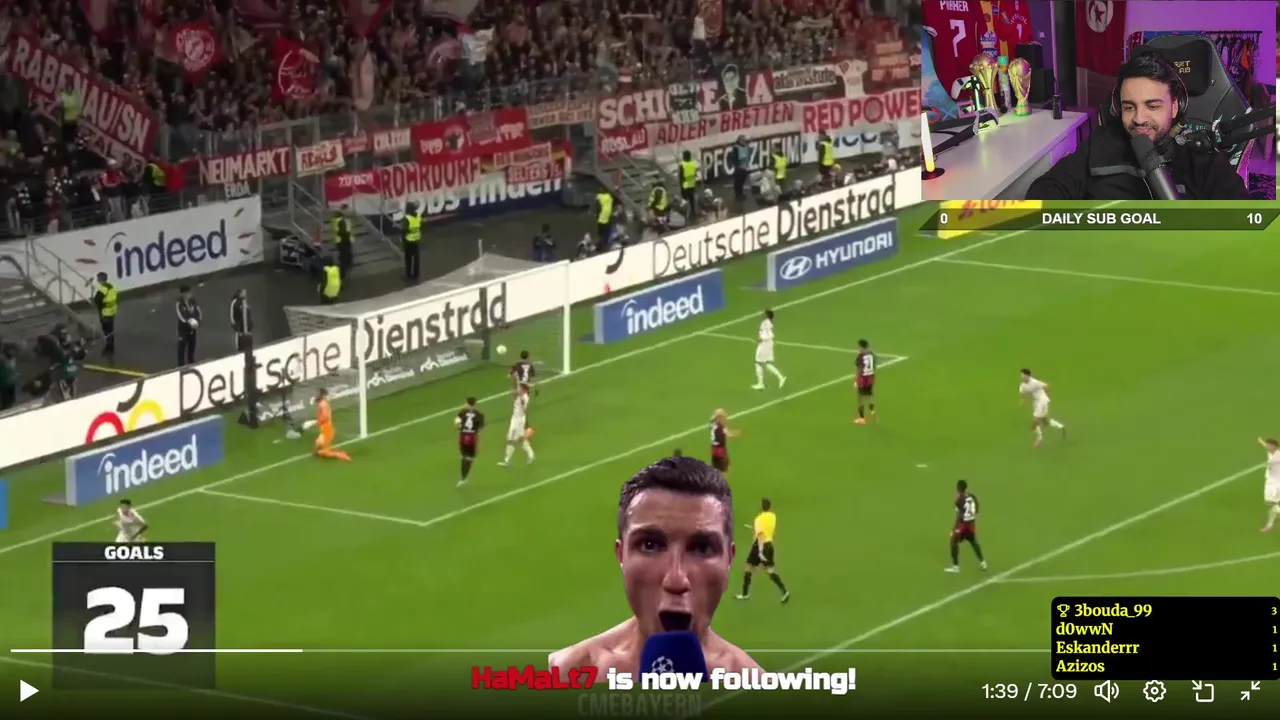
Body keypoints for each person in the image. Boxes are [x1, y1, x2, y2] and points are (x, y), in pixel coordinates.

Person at [548, 456, 761, 676]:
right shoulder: (562, 674)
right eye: (650, 545)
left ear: (728, 561)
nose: (675, 580)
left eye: (701, 548)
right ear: (621, 555)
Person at [1025, 52, 1250, 200]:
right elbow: (1044, 190)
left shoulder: (1200, 157)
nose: (1139, 119)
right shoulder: (1100, 143)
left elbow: (1242, 219)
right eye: (1129, 107)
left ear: (1174, 107)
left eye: (1152, 106)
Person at [736, 498, 790, 602]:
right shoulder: (773, 516)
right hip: (770, 545)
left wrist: (760, 551)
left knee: (748, 567)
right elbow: (769, 530)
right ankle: (784, 591)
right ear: (770, 507)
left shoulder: (758, 519)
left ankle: (745, 594)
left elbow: (760, 535)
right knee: (770, 571)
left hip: (760, 546)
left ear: (761, 507)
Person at [1018, 368, 1066, 447]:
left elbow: (1046, 386)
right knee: (1045, 422)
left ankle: (1039, 439)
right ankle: (1061, 426)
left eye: (1022, 375)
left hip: (1042, 402)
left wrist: (1046, 397)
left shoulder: (1034, 382)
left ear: (1027, 376)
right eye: (1020, 375)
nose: (1021, 376)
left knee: (1035, 421)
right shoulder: (1022, 385)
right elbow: (1023, 393)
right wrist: (1023, 400)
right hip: (1036, 403)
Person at [946, 480, 986, 573]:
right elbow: (977, 509)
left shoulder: (959, 500)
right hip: (971, 524)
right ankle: (983, 562)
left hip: (963, 525)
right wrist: (972, 517)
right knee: (973, 542)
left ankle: (955, 567)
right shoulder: (972, 496)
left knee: (953, 541)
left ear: (958, 488)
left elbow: (959, 516)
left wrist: (954, 529)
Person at [499, 386, 535, 467]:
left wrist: (520, 396)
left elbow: (523, 407)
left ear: (525, 390)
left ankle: (507, 460)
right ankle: (530, 455)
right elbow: (513, 395)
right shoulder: (519, 395)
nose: (520, 389)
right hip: (514, 419)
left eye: (521, 389)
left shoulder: (525, 397)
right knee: (515, 439)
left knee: (515, 439)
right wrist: (515, 392)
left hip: (519, 420)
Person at [312, 388, 351, 461]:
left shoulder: (323, 404)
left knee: (326, 452)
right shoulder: (323, 403)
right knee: (317, 442)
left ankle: (340, 454)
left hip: (327, 429)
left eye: (318, 393)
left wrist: (319, 422)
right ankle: (317, 453)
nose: (316, 395)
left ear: (322, 395)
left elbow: (325, 416)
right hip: (325, 428)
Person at [752, 308, 786, 390]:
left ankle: (761, 384)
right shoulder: (769, 323)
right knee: (767, 363)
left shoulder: (765, 323)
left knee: (758, 363)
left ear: (767, 315)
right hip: (769, 343)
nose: (763, 315)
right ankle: (781, 377)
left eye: (764, 314)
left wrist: (760, 339)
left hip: (764, 343)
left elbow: (765, 333)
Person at [456, 397, 485, 486]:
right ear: (475, 404)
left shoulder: (462, 412)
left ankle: (463, 478)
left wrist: (460, 427)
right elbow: (481, 427)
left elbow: (457, 422)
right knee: (470, 458)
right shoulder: (479, 415)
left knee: (464, 456)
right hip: (472, 437)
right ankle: (463, 478)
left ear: (467, 404)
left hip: (463, 436)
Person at [92, 271, 117, 357]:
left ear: (100, 279)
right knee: (110, 329)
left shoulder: (103, 289)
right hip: (112, 311)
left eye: (98, 279)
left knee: (106, 330)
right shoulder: (111, 286)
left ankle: (109, 347)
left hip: (105, 313)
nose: (97, 280)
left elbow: (96, 300)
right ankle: (111, 345)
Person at [1257, 438, 1280, 532]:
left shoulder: (1277, 457)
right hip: (1272, 481)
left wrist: (1263, 466)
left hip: (1275, 483)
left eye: (1269, 446)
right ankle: (1270, 525)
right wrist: (1261, 441)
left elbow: (1267, 464)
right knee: (1273, 504)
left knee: (1270, 503)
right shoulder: (1272, 452)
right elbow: (1266, 447)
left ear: (1275, 447)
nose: (1267, 447)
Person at [175, 285, 201, 366]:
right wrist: (188, 321)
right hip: (183, 329)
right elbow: (180, 316)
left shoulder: (192, 300)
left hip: (192, 327)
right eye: (186, 293)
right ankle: (181, 365)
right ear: (182, 294)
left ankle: (191, 361)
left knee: (192, 344)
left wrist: (198, 321)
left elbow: (198, 311)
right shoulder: (179, 303)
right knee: (182, 346)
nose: (188, 294)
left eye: (188, 293)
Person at [854, 339, 876, 425]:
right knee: (869, 395)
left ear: (862, 347)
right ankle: (872, 411)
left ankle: (862, 418)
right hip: (870, 378)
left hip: (863, 379)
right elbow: (874, 366)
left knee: (860, 398)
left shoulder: (860, 356)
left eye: (859, 347)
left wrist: (856, 382)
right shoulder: (872, 354)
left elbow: (859, 369)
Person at [402, 202, 423, 281]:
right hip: (416, 240)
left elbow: (404, 231)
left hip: (408, 241)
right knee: (416, 258)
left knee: (408, 259)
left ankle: (408, 275)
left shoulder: (407, 218)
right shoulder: (418, 216)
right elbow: (421, 227)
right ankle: (416, 274)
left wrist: (403, 242)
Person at [331, 208, 354, 277]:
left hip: (341, 240)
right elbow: (347, 230)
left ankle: (343, 271)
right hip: (346, 239)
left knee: (342, 255)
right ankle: (348, 265)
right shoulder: (346, 221)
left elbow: (340, 231)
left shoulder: (337, 221)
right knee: (347, 253)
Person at [679, 150, 700, 218]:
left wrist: (681, 186)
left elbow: (681, 176)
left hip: (685, 185)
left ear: (684, 157)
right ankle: (693, 212)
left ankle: (687, 214)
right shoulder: (693, 163)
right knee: (692, 199)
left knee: (686, 200)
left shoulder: (682, 165)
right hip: (692, 184)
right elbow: (695, 174)